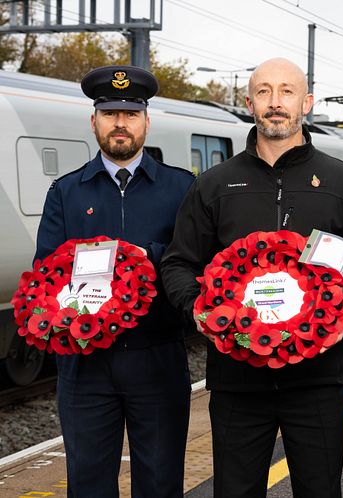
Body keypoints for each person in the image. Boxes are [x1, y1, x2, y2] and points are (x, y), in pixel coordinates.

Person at [160, 57, 343, 498]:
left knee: (319, 489)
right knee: (234, 490)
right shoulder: (214, 185)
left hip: (319, 374)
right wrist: (198, 309)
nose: (275, 102)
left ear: (306, 102)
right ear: (248, 102)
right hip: (237, 375)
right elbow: (178, 263)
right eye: (264, 92)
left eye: (286, 91)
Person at [34, 65, 194, 497]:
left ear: (146, 121)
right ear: (94, 122)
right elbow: (45, 274)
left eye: (130, 113)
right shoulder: (66, 192)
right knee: (87, 485)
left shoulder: (182, 189)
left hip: (157, 358)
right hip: (85, 366)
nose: (120, 123)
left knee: (160, 484)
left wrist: (146, 258)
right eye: (109, 113)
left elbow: (197, 264)